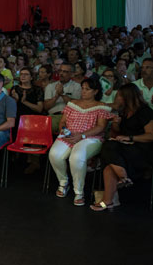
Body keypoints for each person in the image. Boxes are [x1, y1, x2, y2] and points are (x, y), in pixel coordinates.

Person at [48, 77, 112, 206]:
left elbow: (100, 127)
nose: (83, 91)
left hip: (90, 138)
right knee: (54, 154)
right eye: (83, 88)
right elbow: (62, 121)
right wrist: (64, 131)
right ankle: (63, 182)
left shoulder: (102, 106)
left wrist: (81, 136)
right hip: (69, 135)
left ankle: (79, 192)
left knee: (76, 157)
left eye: (87, 89)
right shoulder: (72, 104)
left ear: (95, 91)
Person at [91, 83, 153, 211]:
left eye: (119, 96)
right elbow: (116, 134)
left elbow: (151, 136)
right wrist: (115, 125)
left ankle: (122, 177)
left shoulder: (145, 112)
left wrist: (130, 138)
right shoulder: (123, 112)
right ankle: (110, 198)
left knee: (110, 150)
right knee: (109, 155)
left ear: (127, 97)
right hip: (125, 148)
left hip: (142, 150)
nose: (117, 98)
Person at [11, 67, 45, 174]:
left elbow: (39, 108)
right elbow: (10, 108)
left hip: (33, 119)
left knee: (33, 126)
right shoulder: (15, 88)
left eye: (26, 74)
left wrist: (24, 101)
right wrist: (16, 100)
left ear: (31, 77)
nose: (23, 76)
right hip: (17, 118)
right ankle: (16, 157)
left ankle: (33, 162)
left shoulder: (37, 89)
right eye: (21, 74)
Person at [44, 62, 82, 134]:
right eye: (60, 71)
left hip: (70, 118)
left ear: (72, 74)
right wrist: (56, 96)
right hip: (53, 116)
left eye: (65, 72)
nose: (61, 73)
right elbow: (46, 107)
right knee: (43, 127)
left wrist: (62, 94)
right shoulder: (50, 86)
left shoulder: (77, 86)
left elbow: (76, 106)